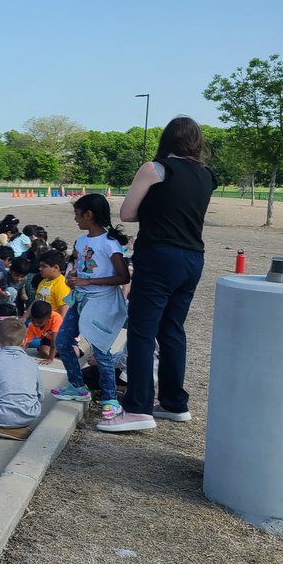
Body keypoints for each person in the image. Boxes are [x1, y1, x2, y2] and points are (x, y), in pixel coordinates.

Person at [104, 116, 218, 432]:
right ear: (197, 143)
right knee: (172, 329)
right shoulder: (207, 175)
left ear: (166, 140)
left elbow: (127, 213)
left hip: (158, 255)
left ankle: (138, 408)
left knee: (142, 330)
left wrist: (154, 210)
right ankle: (173, 402)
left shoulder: (155, 169)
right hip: (193, 257)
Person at [51, 195, 131, 421]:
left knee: (101, 350)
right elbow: (78, 268)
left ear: (89, 215)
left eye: (77, 214)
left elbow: (122, 276)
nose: (75, 219)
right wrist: (73, 277)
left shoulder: (110, 243)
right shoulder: (80, 241)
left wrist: (88, 282)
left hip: (101, 302)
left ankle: (110, 399)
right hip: (80, 299)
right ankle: (77, 387)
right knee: (63, 341)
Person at [34, 250, 71, 320]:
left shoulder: (61, 285)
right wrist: (24, 317)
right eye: (40, 266)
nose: (40, 268)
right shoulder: (43, 282)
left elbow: (64, 310)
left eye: (44, 266)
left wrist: (58, 329)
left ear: (55, 268)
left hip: (51, 324)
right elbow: (36, 302)